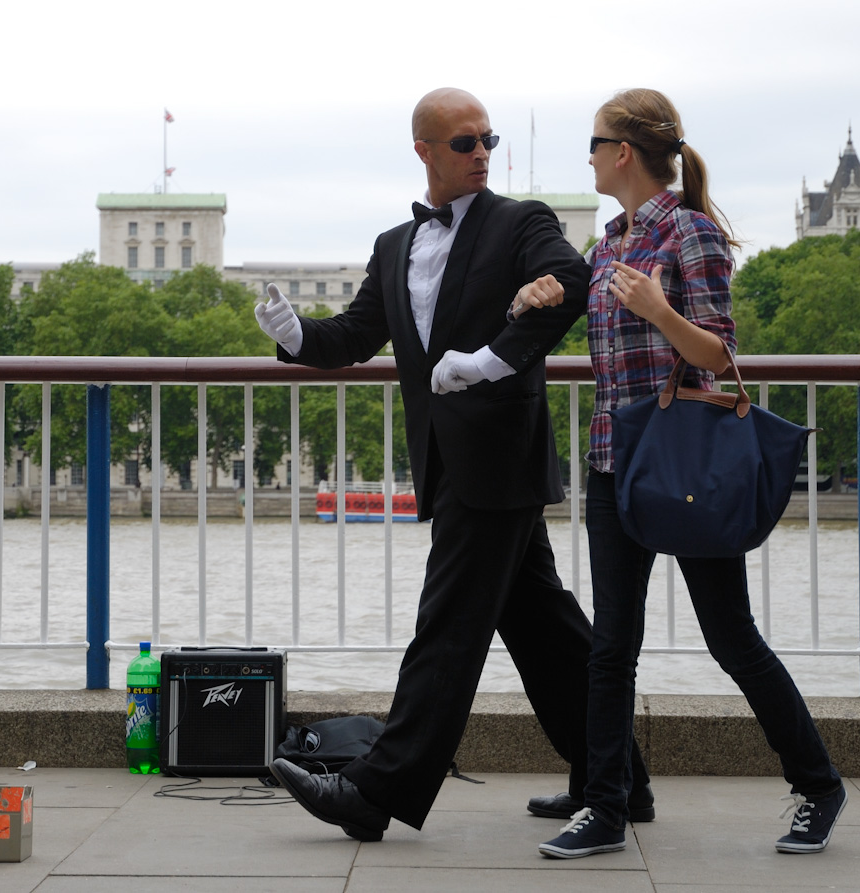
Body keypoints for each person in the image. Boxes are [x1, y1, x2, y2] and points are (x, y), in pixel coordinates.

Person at [256, 88, 653, 842]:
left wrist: (491, 360)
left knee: (446, 628)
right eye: (465, 143)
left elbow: (574, 284)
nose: (481, 154)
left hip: (500, 458)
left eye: (488, 140)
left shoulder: (521, 221)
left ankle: (376, 789)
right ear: (425, 152)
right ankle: (620, 778)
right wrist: (294, 334)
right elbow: (353, 336)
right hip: (447, 464)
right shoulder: (394, 246)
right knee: (546, 630)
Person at [515, 88, 846, 859]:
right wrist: (537, 292)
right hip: (613, 462)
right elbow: (575, 310)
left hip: (682, 464)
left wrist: (662, 312)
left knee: (730, 635)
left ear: (623, 152)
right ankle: (606, 801)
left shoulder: (690, 234)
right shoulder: (610, 238)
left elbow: (719, 356)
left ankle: (819, 783)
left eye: (594, 144)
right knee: (611, 646)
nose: (591, 157)